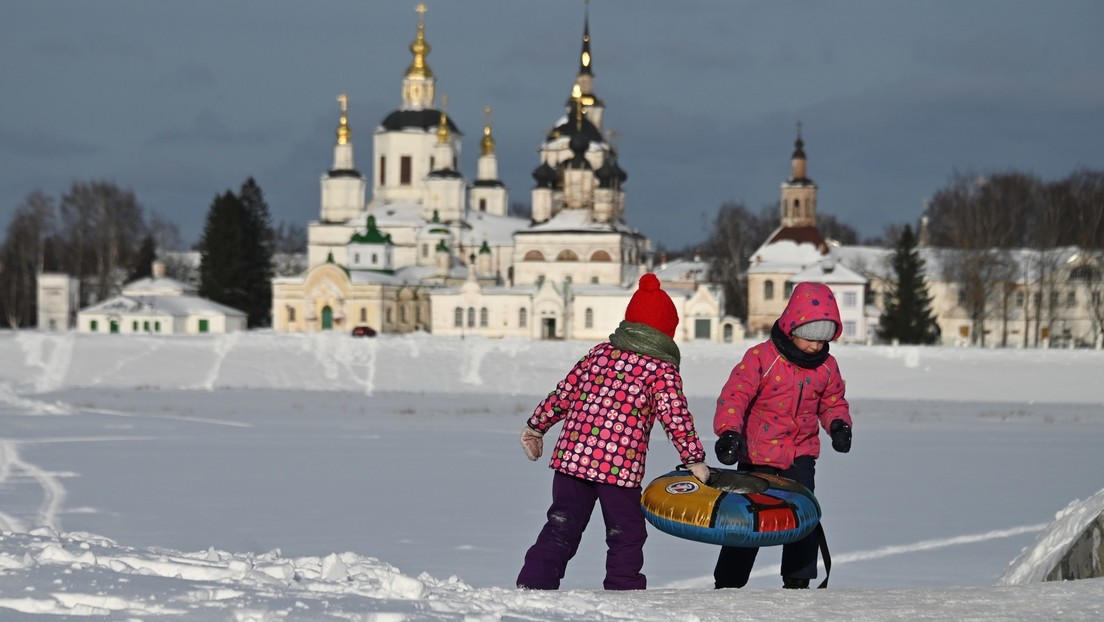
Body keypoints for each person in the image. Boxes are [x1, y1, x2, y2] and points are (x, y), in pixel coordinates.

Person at [516, 273, 710, 591]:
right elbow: (675, 416)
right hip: (618, 467)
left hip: (572, 458)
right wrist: (693, 459)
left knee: (562, 523)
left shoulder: (599, 354)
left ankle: (535, 582)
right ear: (666, 332)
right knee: (626, 530)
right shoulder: (661, 370)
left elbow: (564, 393)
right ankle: (624, 587)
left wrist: (536, 427)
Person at [712, 281, 853, 589]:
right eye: (810, 337)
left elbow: (832, 402)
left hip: (799, 455)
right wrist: (729, 433)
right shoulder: (762, 358)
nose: (816, 346)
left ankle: (798, 578)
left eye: (824, 338)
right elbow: (735, 395)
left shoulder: (826, 367)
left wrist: (839, 425)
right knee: (748, 520)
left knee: (803, 516)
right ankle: (728, 582)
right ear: (791, 328)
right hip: (756, 455)